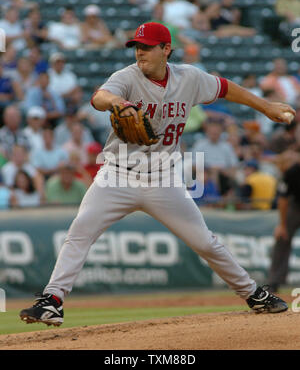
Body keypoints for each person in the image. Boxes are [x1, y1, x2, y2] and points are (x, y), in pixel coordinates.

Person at [20, 22, 293, 327]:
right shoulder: (126, 77)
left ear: (166, 49)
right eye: (137, 47)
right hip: (117, 176)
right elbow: (99, 97)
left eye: (147, 47)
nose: (140, 53)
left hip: (163, 179)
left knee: (205, 242)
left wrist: (266, 106)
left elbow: (226, 88)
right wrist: (118, 102)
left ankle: (254, 294)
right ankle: (52, 301)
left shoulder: (189, 78)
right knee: (79, 232)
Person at [268, 150, 300, 292]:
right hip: (295, 206)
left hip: (294, 204)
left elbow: (282, 199)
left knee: (282, 239)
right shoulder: (291, 172)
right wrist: (282, 225)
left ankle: (274, 282)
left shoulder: (291, 170)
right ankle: (274, 281)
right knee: (282, 238)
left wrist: (282, 225)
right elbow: (283, 199)